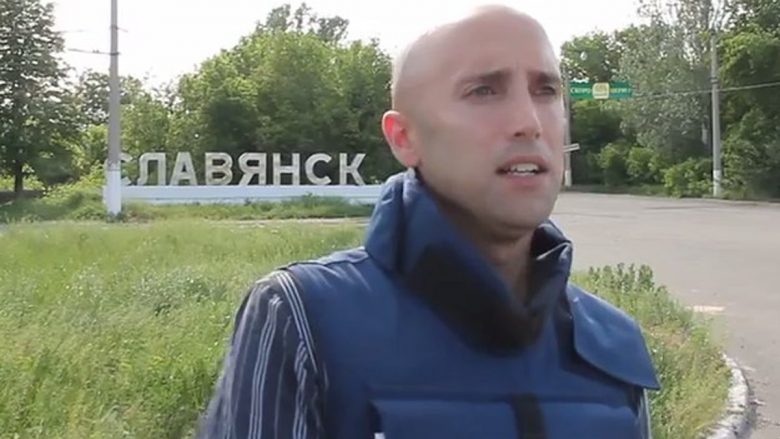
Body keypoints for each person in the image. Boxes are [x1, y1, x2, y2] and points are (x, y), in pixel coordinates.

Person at [197, 4, 660, 439]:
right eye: (483, 91)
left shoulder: (612, 344)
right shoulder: (304, 318)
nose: (529, 121)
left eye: (546, 91)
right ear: (404, 137)